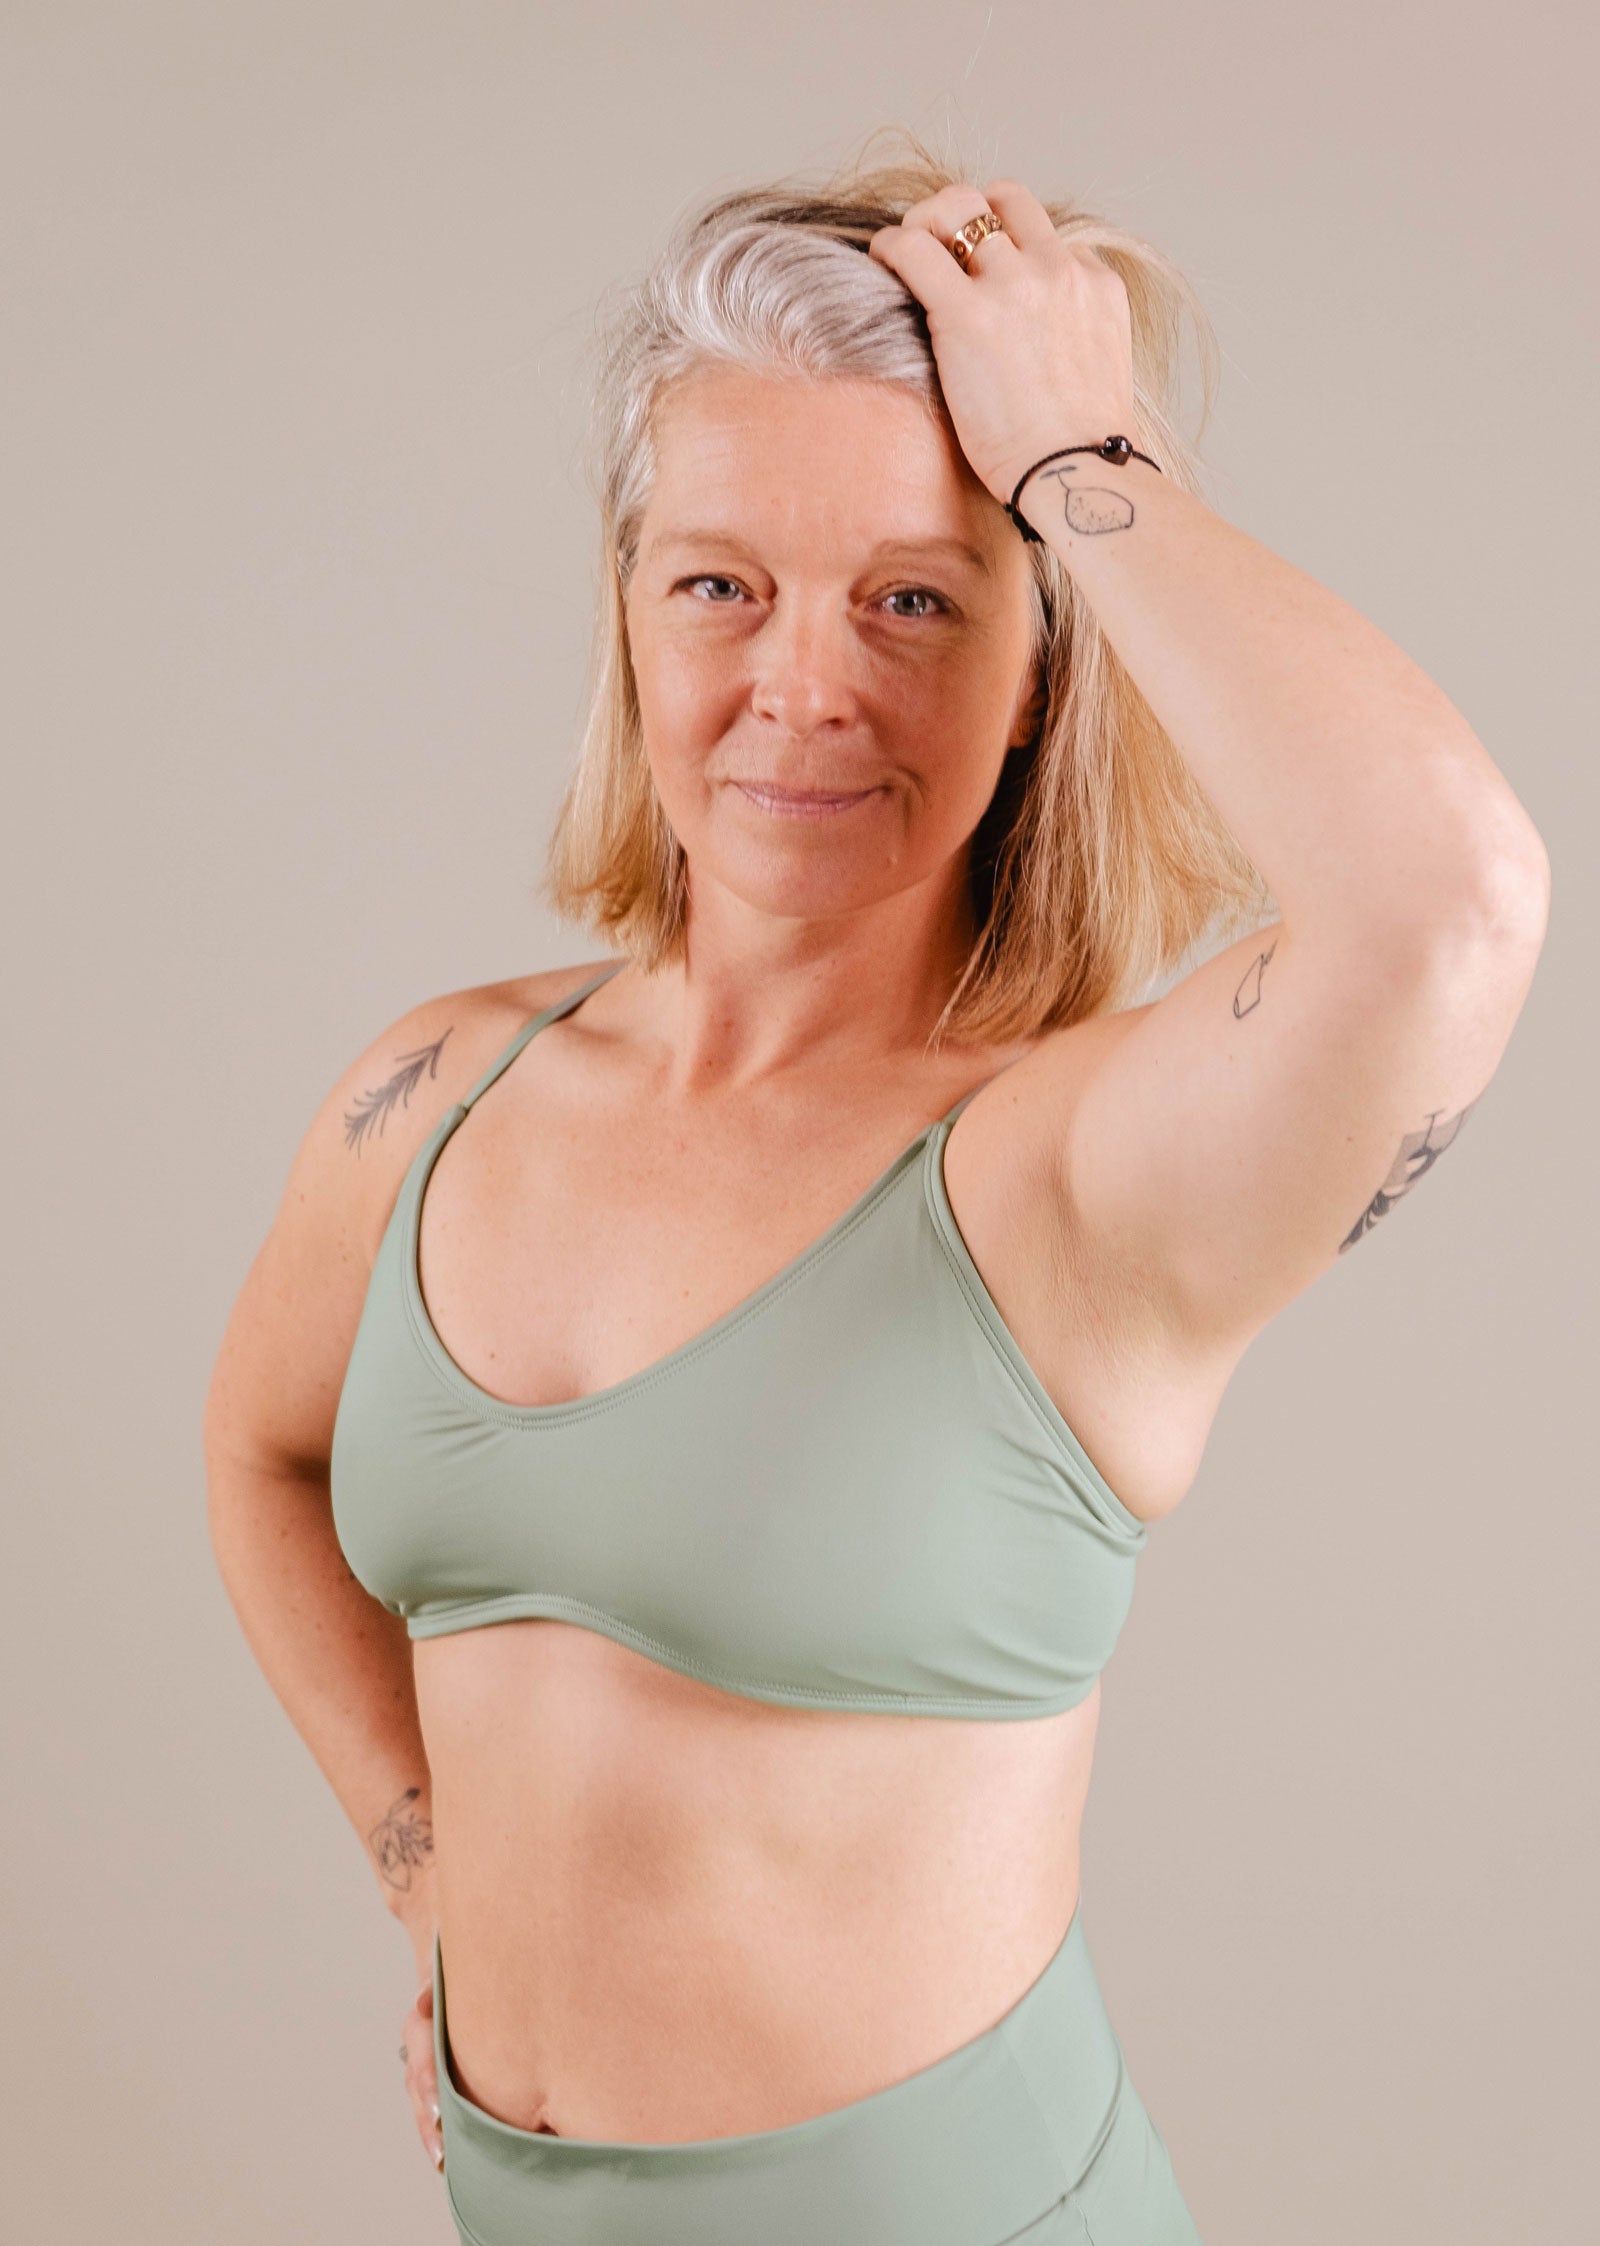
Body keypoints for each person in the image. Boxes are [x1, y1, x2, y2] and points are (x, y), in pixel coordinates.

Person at [203, 129, 1549, 2246]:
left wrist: (1077, 449)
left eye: (915, 599)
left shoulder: (1073, 1178)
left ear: (1035, 678)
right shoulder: (434, 1092)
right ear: (633, 626)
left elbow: (1445, 901)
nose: (803, 685)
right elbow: (264, 1454)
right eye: (719, 582)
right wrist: (425, 1857)